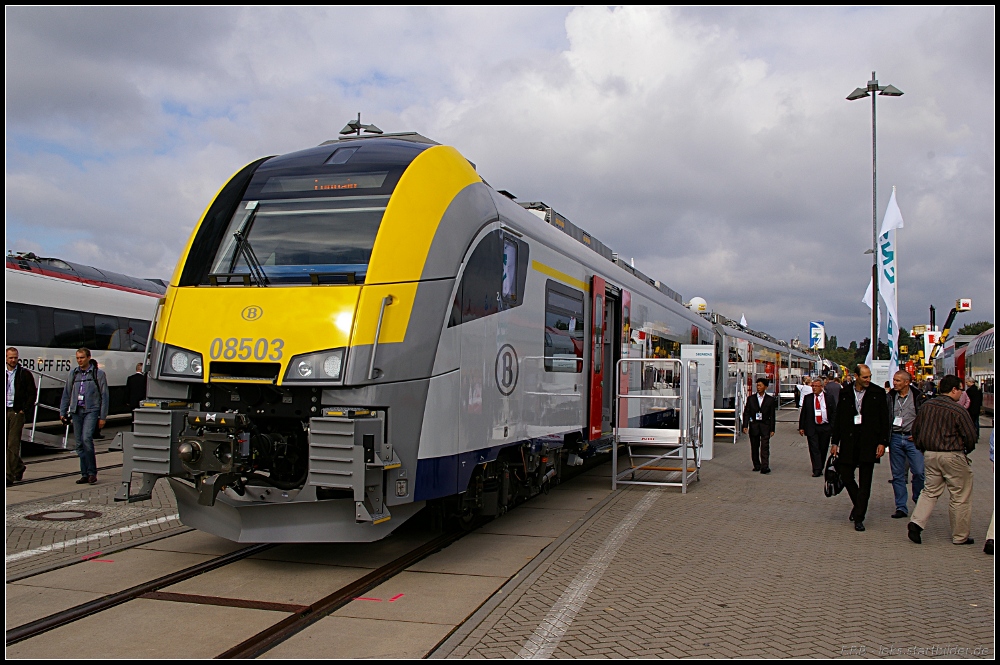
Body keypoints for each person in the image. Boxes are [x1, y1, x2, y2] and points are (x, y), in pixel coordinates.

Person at [906, 374, 978, 546]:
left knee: (929, 491)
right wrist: (966, 450)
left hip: (930, 454)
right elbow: (970, 435)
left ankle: (916, 522)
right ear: (953, 390)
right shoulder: (958, 410)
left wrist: (922, 448)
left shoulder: (926, 406)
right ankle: (960, 535)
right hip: (952, 454)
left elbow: (915, 430)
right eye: (960, 390)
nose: (961, 393)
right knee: (960, 495)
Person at [831, 364, 889, 532]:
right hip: (849, 441)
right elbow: (839, 418)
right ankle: (859, 505)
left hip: (868, 442)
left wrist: (882, 442)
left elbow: (884, 420)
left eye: (869, 376)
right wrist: (835, 442)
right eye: (865, 377)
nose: (868, 380)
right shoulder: (845, 392)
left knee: (865, 481)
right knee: (846, 475)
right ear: (856, 376)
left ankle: (859, 517)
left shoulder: (877, 393)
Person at [59, 348, 109, 485]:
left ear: (88, 358)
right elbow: (67, 393)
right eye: (77, 358)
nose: (79, 360)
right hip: (76, 411)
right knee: (79, 443)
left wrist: (103, 416)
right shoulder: (74, 373)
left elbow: (104, 396)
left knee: (86, 438)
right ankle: (84, 474)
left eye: (82, 358)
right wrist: (63, 412)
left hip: (91, 410)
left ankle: (92, 472)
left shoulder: (98, 374)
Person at [886, 370, 925, 519]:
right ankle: (901, 507)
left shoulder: (918, 397)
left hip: (912, 439)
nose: (894, 383)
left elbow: (925, 418)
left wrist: (919, 434)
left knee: (919, 472)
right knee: (898, 475)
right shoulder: (890, 397)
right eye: (894, 380)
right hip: (896, 438)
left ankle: (918, 499)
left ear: (907, 382)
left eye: (898, 381)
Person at [6, 347, 37, 487]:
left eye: (15, 357)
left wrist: (24, 410)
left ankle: (8, 475)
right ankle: (18, 467)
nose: (13, 360)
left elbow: (32, 393)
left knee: (12, 444)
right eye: (10, 357)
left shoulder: (24, 374)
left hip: (16, 412)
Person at [798, 377, 836, 477]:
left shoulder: (829, 397)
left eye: (816, 386)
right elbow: (804, 413)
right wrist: (801, 427)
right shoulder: (808, 398)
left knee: (823, 448)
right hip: (812, 427)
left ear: (822, 387)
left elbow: (833, 413)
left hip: (825, 427)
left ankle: (820, 465)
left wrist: (832, 427)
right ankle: (817, 469)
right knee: (814, 448)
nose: (814, 388)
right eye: (813, 386)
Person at [742, 378, 777, 474]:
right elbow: (746, 413)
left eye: (760, 385)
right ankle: (756, 465)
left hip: (765, 426)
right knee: (754, 446)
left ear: (765, 387)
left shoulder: (770, 400)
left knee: (765, 447)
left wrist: (772, 429)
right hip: (754, 425)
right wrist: (745, 425)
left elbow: (772, 415)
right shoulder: (751, 399)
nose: (758, 387)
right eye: (757, 385)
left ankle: (765, 466)